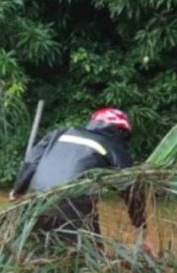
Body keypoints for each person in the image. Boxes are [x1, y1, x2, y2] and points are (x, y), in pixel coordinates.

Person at [9, 107, 152, 251]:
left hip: (36, 203)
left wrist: (17, 190)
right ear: (120, 131)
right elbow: (131, 189)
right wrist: (141, 227)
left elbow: (31, 163)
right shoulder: (113, 146)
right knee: (90, 256)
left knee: (33, 250)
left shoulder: (59, 134)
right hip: (72, 208)